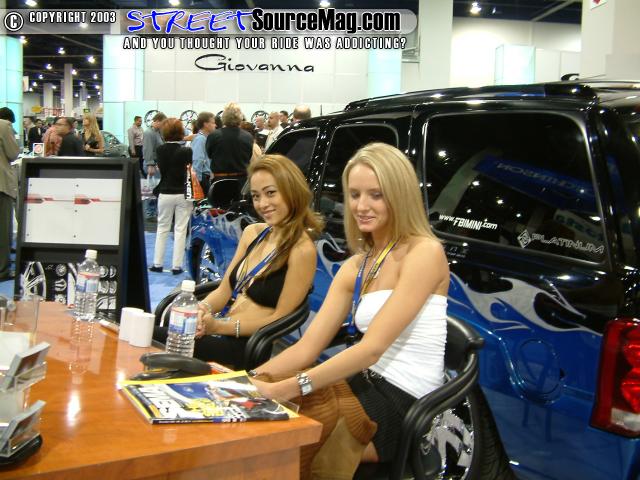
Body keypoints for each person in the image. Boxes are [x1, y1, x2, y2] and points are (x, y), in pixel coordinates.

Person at [249, 143, 450, 468]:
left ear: (400, 196)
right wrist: (250, 379)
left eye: (376, 195)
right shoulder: (356, 265)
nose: (361, 206)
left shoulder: (424, 252)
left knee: (280, 437)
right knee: (250, 409)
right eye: (354, 194)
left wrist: (287, 388)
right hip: (360, 382)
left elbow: (371, 349)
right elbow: (307, 348)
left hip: (403, 400)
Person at [158, 154, 322, 368]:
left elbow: (280, 318)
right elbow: (223, 290)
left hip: (246, 347)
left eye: (271, 193)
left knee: (154, 337)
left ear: (292, 191)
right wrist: (201, 309)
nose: (262, 204)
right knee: (157, 329)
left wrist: (218, 326)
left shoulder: (301, 250)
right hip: (219, 331)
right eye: (256, 196)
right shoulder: (253, 233)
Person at [149, 118, 194, 275]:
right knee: (180, 229)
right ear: (181, 131)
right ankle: (177, 266)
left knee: (162, 228)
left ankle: (157, 263)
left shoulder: (160, 150)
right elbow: (189, 170)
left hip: (165, 192)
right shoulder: (187, 151)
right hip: (183, 193)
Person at [205, 102, 253, 181]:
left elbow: (209, 155)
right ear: (240, 117)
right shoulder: (248, 136)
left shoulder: (214, 135)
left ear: (224, 117)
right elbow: (249, 156)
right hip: (242, 180)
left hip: (220, 180)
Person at [0, 107, 20, 280]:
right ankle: (2, 270)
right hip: (1, 185)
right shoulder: (4, 126)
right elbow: (13, 153)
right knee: (2, 229)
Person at [191, 112, 215, 195]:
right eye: (213, 123)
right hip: (203, 178)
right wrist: (197, 182)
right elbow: (197, 160)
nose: (215, 125)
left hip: (206, 177)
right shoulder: (200, 139)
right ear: (206, 124)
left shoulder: (205, 138)